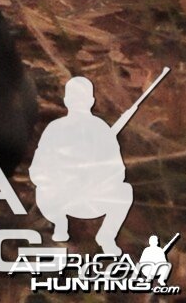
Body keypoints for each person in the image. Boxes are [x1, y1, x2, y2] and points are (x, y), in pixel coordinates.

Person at [30, 75, 136, 252]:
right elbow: (38, 168)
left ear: (91, 101)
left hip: (92, 196)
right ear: (67, 100)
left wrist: (97, 176)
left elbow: (118, 170)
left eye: (82, 98)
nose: (78, 103)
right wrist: (60, 177)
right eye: (74, 98)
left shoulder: (101, 129)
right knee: (42, 191)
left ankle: (107, 237)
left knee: (125, 192)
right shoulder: (55, 129)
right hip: (60, 196)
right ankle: (59, 224)